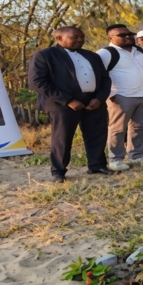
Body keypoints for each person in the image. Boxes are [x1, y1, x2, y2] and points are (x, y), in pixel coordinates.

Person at [28, 26, 113, 182]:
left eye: (82, 36)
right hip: (62, 104)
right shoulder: (45, 55)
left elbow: (106, 79)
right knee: (62, 138)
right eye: (75, 37)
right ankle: (58, 171)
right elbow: (37, 82)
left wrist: (99, 98)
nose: (80, 39)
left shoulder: (92, 56)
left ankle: (97, 165)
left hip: (93, 102)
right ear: (59, 38)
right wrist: (68, 100)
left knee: (97, 135)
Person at [96, 24, 143, 170]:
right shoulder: (105, 53)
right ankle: (115, 159)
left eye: (130, 34)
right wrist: (110, 94)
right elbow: (98, 76)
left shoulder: (142, 51)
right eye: (122, 35)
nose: (128, 37)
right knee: (117, 129)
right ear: (110, 38)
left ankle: (136, 155)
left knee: (139, 127)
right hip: (121, 96)